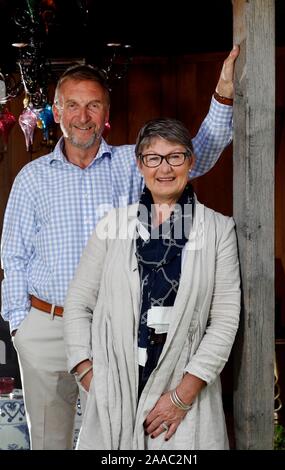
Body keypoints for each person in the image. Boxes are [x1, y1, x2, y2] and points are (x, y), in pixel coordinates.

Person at [1, 46, 239, 450]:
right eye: (72, 105)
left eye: (93, 105)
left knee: (118, 442)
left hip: (116, 332)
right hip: (47, 326)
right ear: (56, 112)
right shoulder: (31, 178)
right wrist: (20, 326)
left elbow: (198, 152)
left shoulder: (135, 162)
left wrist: (224, 93)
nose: (82, 116)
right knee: (48, 441)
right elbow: (13, 257)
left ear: (105, 114)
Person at [63, 117, 241, 450]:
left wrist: (182, 396)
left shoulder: (218, 229)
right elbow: (78, 302)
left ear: (190, 161)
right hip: (117, 383)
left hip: (182, 383)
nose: (165, 168)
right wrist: (88, 373)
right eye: (153, 158)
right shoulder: (113, 224)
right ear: (140, 164)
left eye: (175, 156)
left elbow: (225, 319)